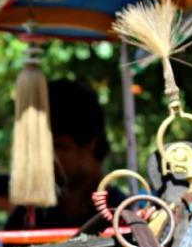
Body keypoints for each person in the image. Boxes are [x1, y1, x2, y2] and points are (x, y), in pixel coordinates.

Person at [6, 80, 117, 229]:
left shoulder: (124, 214)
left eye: (58, 146)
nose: (47, 158)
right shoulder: (25, 220)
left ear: (90, 144)